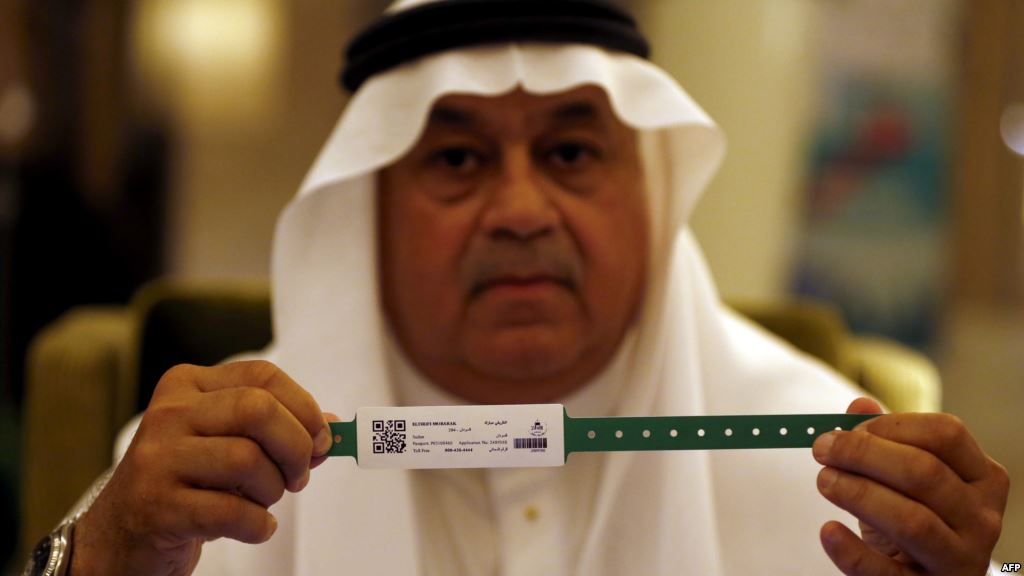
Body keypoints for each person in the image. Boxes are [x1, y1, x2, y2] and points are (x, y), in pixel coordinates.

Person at [26, 1, 1009, 574]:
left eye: (572, 149)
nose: (521, 209)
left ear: (649, 190)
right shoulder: (205, 470)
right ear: (371, 206)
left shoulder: (820, 448)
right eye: (455, 159)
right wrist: (109, 552)